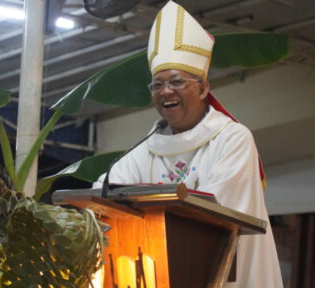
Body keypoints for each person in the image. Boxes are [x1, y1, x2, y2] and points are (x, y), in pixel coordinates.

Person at [94, 1, 283, 287]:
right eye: (157, 85)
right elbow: (104, 191)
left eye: (177, 82)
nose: (165, 91)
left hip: (221, 274)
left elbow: (217, 211)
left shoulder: (232, 138)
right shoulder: (147, 148)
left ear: (204, 88)